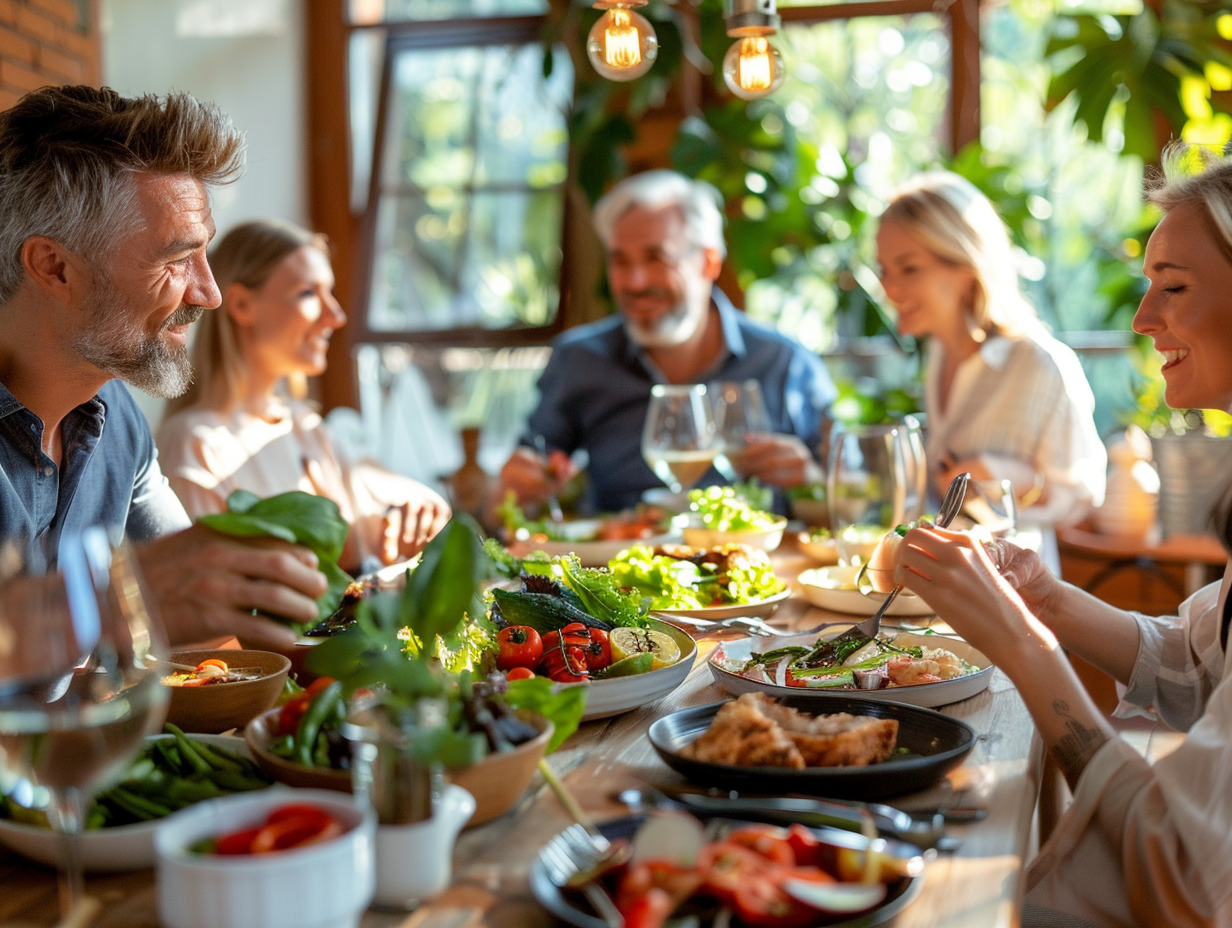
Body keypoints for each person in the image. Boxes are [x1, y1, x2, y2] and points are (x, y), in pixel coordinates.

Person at [892, 140, 1232, 927]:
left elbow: (1178, 879)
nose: (1142, 318)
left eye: (1172, 287)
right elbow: (1193, 663)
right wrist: (1044, 598)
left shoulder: (1033, 363)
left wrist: (1022, 644)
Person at [0, 85, 327, 650]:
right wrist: (105, 604)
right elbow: (151, 595)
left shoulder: (117, 415)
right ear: (53, 268)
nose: (210, 294)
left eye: (205, 254)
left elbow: (207, 617)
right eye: (177, 260)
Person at [499, 169, 837, 514]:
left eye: (656, 258)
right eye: (620, 261)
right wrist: (519, 487)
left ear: (708, 262)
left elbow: (858, 508)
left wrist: (810, 482)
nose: (635, 281)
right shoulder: (578, 359)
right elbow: (517, 492)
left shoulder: (786, 363)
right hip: (617, 562)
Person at [156, 219, 451, 572]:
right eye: (309, 293)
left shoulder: (304, 426)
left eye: (331, 292)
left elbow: (380, 489)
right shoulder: (196, 446)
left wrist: (421, 505)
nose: (336, 316)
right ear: (241, 306)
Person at [875, 172, 1106, 543]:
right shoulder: (937, 353)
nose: (887, 288)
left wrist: (998, 475)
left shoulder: (1041, 364)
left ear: (967, 269)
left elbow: (1082, 496)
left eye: (909, 268)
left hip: (1013, 586)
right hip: (944, 579)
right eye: (884, 269)